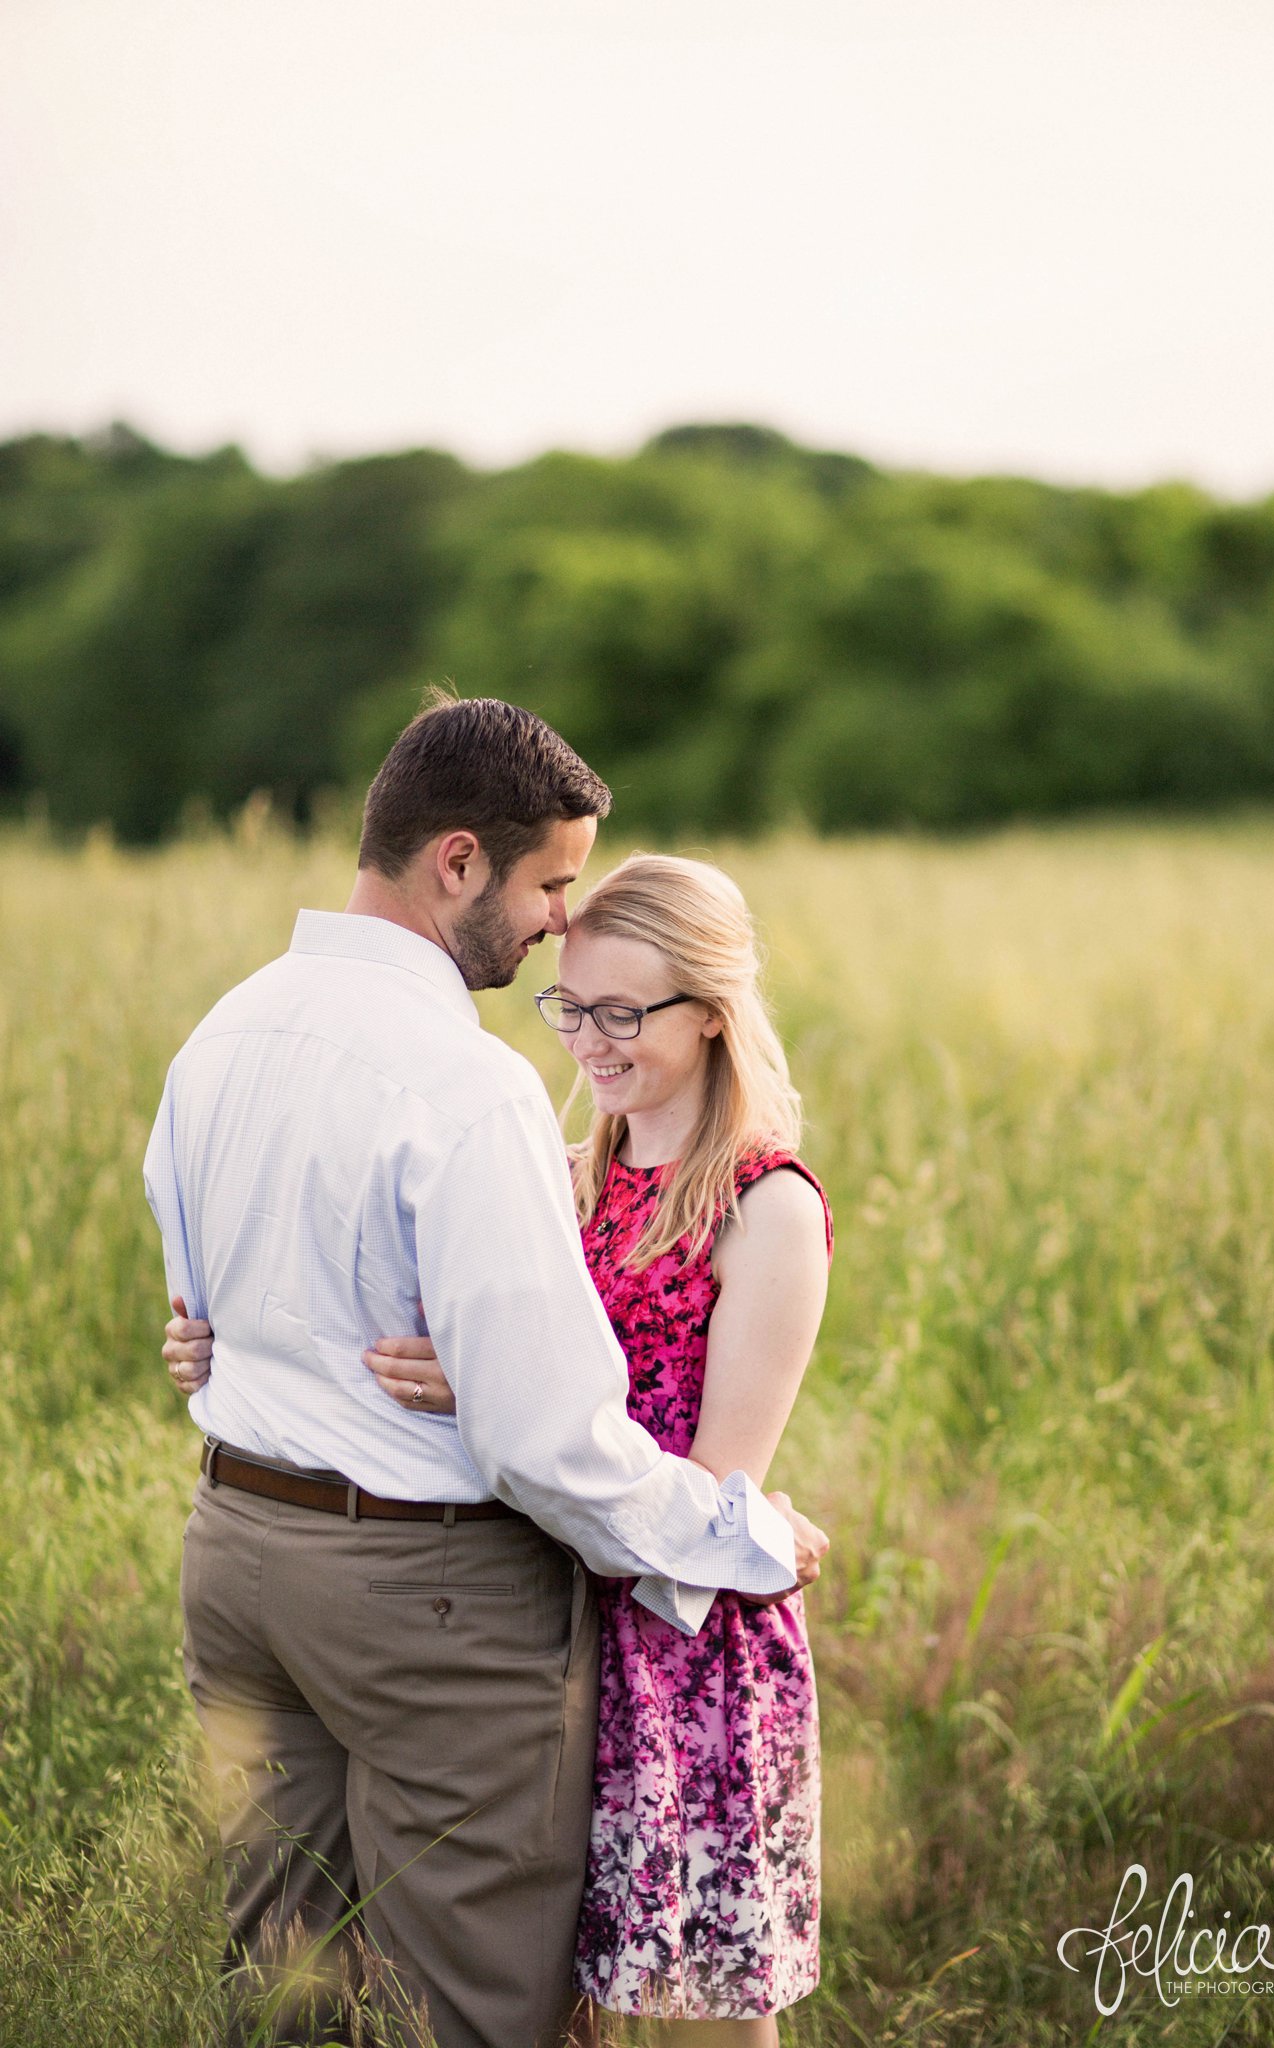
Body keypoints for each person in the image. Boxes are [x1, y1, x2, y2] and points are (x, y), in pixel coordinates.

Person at [145, 694, 828, 2048]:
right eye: (548, 885)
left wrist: (230, 1355)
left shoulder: (222, 1031)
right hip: (418, 1595)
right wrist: (732, 1531)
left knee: (281, 1988)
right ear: (456, 861)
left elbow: (202, 1302)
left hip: (235, 1552)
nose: (555, 923)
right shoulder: (469, 1086)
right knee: (471, 2006)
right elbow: (542, 1440)